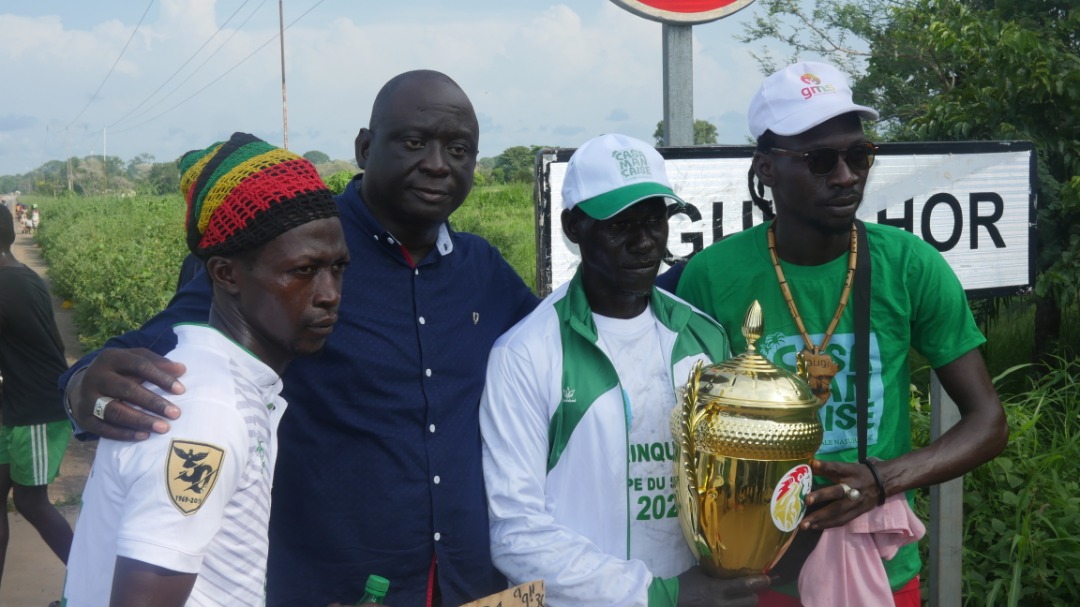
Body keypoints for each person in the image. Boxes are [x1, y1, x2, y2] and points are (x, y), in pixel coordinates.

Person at [59, 70, 538, 606]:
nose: (437, 164)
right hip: (333, 585)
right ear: (364, 147)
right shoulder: (291, 249)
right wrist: (82, 386)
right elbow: (162, 346)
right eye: (413, 142)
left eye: (458, 149)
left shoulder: (484, 271)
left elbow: (553, 353)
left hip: (466, 582)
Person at [676, 61, 1009, 606]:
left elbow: (988, 422)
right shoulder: (713, 276)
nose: (846, 176)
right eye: (820, 160)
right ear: (766, 168)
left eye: (859, 155)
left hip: (877, 569)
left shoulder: (909, 265)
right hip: (750, 572)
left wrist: (882, 480)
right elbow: (687, 430)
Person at [480, 134, 769, 607]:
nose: (643, 242)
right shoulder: (525, 354)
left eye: (655, 219)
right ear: (573, 226)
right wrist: (659, 595)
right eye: (620, 225)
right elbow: (516, 534)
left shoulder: (703, 336)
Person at [62, 132, 348, 605]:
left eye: (338, 268)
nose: (329, 294)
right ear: (225, 273)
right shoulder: (207, 412)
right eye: (304, 270)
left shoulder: (233, 387)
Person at [0, 204, 74, 589]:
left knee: (31, 502)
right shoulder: (23, 276)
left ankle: (93, 580)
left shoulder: (6, 286)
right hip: (14, 405)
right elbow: (55, 342)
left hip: (37, 410)